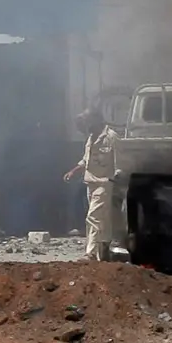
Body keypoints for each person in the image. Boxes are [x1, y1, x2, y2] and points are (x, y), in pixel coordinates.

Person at [63, 110, 120, 261]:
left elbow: (119, 161)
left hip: (104, 183)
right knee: (102, 219)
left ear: (97, 120)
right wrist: (73, 171)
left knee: (93, 217)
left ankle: (91, 253)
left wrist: (117, 180)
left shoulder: (111, 137)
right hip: (91, 183)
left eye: (87, 121)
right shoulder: (91, 137)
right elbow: (85, 160)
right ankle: (104, 252)